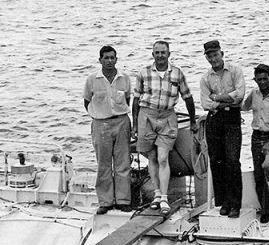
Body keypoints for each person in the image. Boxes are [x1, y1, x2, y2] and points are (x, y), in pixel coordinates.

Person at [132, 40, 198, 215]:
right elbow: (136, 100)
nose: (160, 56)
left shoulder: (177, 74)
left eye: (163, 52)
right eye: (157, 52)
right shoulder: (144, 73)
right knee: (152, 157)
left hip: (168, 116)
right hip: (147, 115)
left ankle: (164, 198)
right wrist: (134, 125)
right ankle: (156, 194)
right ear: (153, 54)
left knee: (163, 157)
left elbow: (188, 97)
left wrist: (192, 121)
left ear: (169, 54)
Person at [83, 45, 133, 215]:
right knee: (103, 164)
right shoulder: (92, 80)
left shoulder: (124, 78)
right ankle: (105, 201)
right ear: (100, 60)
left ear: (116, 59)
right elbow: (86, 102)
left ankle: (123, 200)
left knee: (123, 163)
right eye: (106, 58)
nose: (110, 61)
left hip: (121, 122)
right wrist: (99, 115)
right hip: (101, 124)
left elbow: (127, 99)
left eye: (113, 57)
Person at [199, 39, 245, 218]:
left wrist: (217, 97)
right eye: (209, 56)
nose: (213, 58)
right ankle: (223, 201)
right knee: (217, 161)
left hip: (232, 119)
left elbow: (239, 95)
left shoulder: (235, 71)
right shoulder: (205, 78)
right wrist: (226, 99)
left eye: (215, 54)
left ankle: (235, 203)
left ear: (222, 54)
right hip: (214, 120)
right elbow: (205, 103)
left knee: (233, 160)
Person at [241, 63, 269, 224]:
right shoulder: (253, 94)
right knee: (259, 175)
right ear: (255, 80)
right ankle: (266, 210)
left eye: (265, 79)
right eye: (259, 79)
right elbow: (243, 106)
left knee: (268, 165)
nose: (262, 82)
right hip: (255, 136)